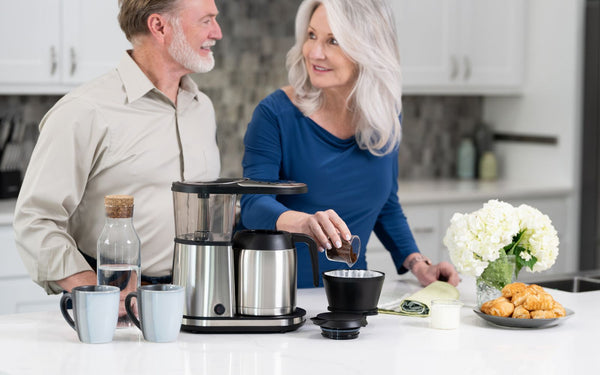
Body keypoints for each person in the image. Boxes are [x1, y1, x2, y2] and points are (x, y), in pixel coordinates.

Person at [13, 0, 222, 304]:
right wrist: (96, 291)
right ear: (159, 26)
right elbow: (35, 220)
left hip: (195, 297)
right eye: (206, 20)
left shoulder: (202, 107)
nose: (217, 32)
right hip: (112, 306)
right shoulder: (84, 111)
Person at [239, 0, 459, 288]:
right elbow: (253, 204)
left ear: (368, 49)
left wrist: (418, 264)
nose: (315, 52)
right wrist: (303, 223)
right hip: (278, 296)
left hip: (351, 293)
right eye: (312, 35)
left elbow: (386, 204)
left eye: (334, 41)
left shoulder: (384, 115)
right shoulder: (275, 114)